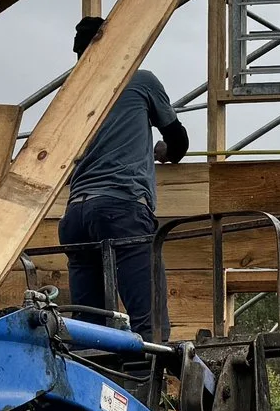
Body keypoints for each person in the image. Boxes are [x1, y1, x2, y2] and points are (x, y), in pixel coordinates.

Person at [60, 17, 189, 339]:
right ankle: (148, 383)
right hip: (122, 208)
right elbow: (179, 140)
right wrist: (165, 152)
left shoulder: (70, 95)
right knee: (150, 323)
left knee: (90, 330)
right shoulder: (140, 80)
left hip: (75, 215)